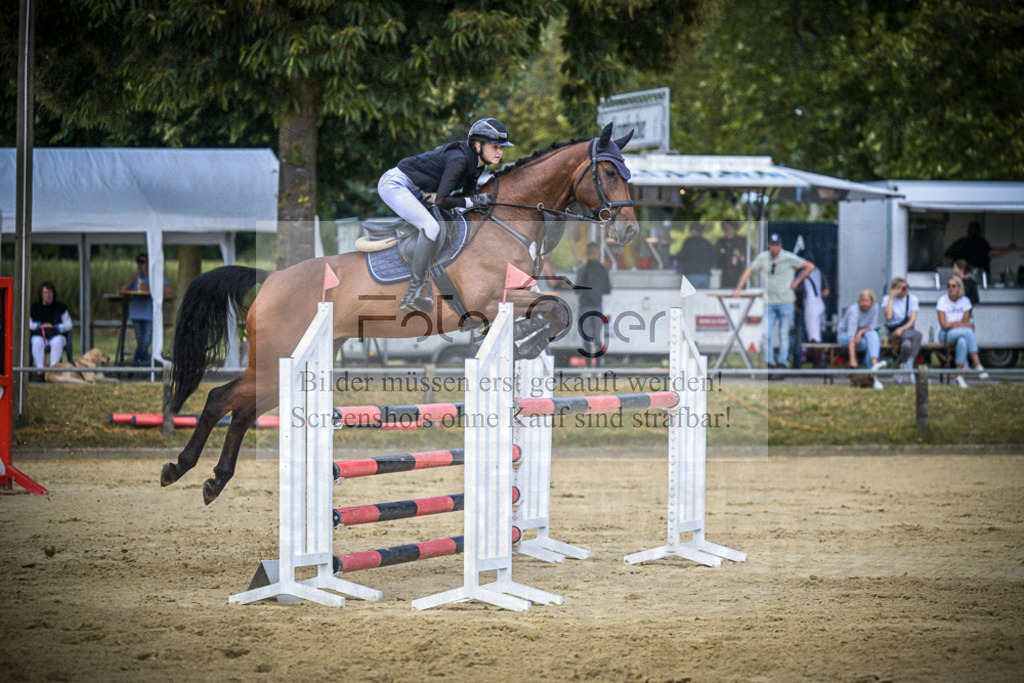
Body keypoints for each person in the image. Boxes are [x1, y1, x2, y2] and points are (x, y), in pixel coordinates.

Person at [378, 117, 513, 313]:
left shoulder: (478, 164)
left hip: (415, 190)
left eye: (502, 147)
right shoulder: (459, 160)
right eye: (495, 146)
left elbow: (466, 198)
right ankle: (413, 293)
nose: (500, 151)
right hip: (395, 185)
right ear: (478, 145)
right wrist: (473, 202)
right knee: (431, 227)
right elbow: (442, 200)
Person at [731, 233, 814, 373]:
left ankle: (781, 364)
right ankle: (769, 363)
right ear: (768, 245)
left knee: (783, 334)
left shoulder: (788, 257)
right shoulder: (763, 257)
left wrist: (797, 281)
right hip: (769, 302)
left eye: (776, 245)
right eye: (771, 244)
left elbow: (809, 266)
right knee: (766, 334)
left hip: (786, 301)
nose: (774, 248)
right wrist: (738, 289)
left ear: (780, 245)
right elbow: (749, 270)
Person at [936, 276, 988, 389]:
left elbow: (965, 323)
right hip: (945, 334)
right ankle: (978, 366)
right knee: (968, 333)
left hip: (959, 332)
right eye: (948, 286)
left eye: (953, 286)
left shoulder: (965, 301)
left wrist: (953, 324)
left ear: (959, 287)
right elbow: (944, 325)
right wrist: (958, 324)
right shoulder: (942, 301)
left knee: (963, 341)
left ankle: (959, 377)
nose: (950, 288)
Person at [120, 253, 170, 367]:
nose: (140, 264)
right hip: (136, 314)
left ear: (148, 263)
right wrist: (130, 281)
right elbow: (122, 290)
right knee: (141, 342)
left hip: (149, 314)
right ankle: (145, 367)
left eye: (143, 262)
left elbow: (167, 289)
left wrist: (150, 288)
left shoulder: (155, 277)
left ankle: (135, 366)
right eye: (139, 261)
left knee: (145, 341)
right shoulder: (135, 277)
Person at [837, 289, 887, 391]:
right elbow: (851, 337)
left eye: (867, 300)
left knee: (873, 335)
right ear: (859, 301)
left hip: (863, 334)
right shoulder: (853, 311)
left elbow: (872, 326)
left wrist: (860, 332)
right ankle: (873, 375)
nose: (864, 303)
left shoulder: (875, 308)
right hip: (844, 335)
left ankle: (874, 364)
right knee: (867, 343)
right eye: (863, 300)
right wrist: (852, 359)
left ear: (872, 301)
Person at [575, 243, 612, 368]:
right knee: (597, 336)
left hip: (585, 305)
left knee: (587, 337)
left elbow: (577, 289)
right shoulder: (602, 270)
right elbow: (607, 288)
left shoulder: (583, 269)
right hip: (597, 305)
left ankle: (589, 364)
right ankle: (598, 364)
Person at [881, 277, 923, 385]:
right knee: (908, 345)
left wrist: (902, 329)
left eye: (907, 287)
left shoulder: (912, 299)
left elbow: (912, 321)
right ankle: (907, 368)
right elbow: (889, 317)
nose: (906, 290)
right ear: (895, 289)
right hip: (893, 332)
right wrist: (891, 297)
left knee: (915, 336)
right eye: (902, 288)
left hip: (907, 329)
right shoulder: (887, 299)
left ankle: (901, 368)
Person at [29, 281, 72, 379]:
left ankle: (53, 371)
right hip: (40, 335)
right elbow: (28, 324)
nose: (48, 295)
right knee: (36, 342)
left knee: (58, 342)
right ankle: (40, 371)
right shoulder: (34, 307)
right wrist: (40, 325)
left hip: (55, 335)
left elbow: (69, 324)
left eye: (50, 292)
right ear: (41, 294)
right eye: (45, 292)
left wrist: (56, 327)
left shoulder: (60, 307)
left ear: (53, 293)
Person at [944, 221, 1016, 278]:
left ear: (968, 230)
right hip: (980, 277)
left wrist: (957, 267)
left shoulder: (960, 242)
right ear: (979, 231)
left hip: (962, 276)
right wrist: (1009, 249)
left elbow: (948, 257)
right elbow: (991, 253)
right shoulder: (981, 242)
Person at [674, 223, 715, 289]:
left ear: (693, 230)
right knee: (703, 298)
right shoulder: (707, 243)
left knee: (690, 298)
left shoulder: (689, 242)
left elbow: (681, 255)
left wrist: (677, 261)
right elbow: (713, 260)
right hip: (705, 275)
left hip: (691, 274)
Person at [715, 221, 747, 289]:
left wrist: (739, 255)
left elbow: (749, 262)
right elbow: (715, 260)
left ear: (735, 228)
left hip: (740, 280)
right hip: (724, 281)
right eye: (725, 229)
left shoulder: (743, 241)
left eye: (730, 228)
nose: (727, 231)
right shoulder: (720, 242)